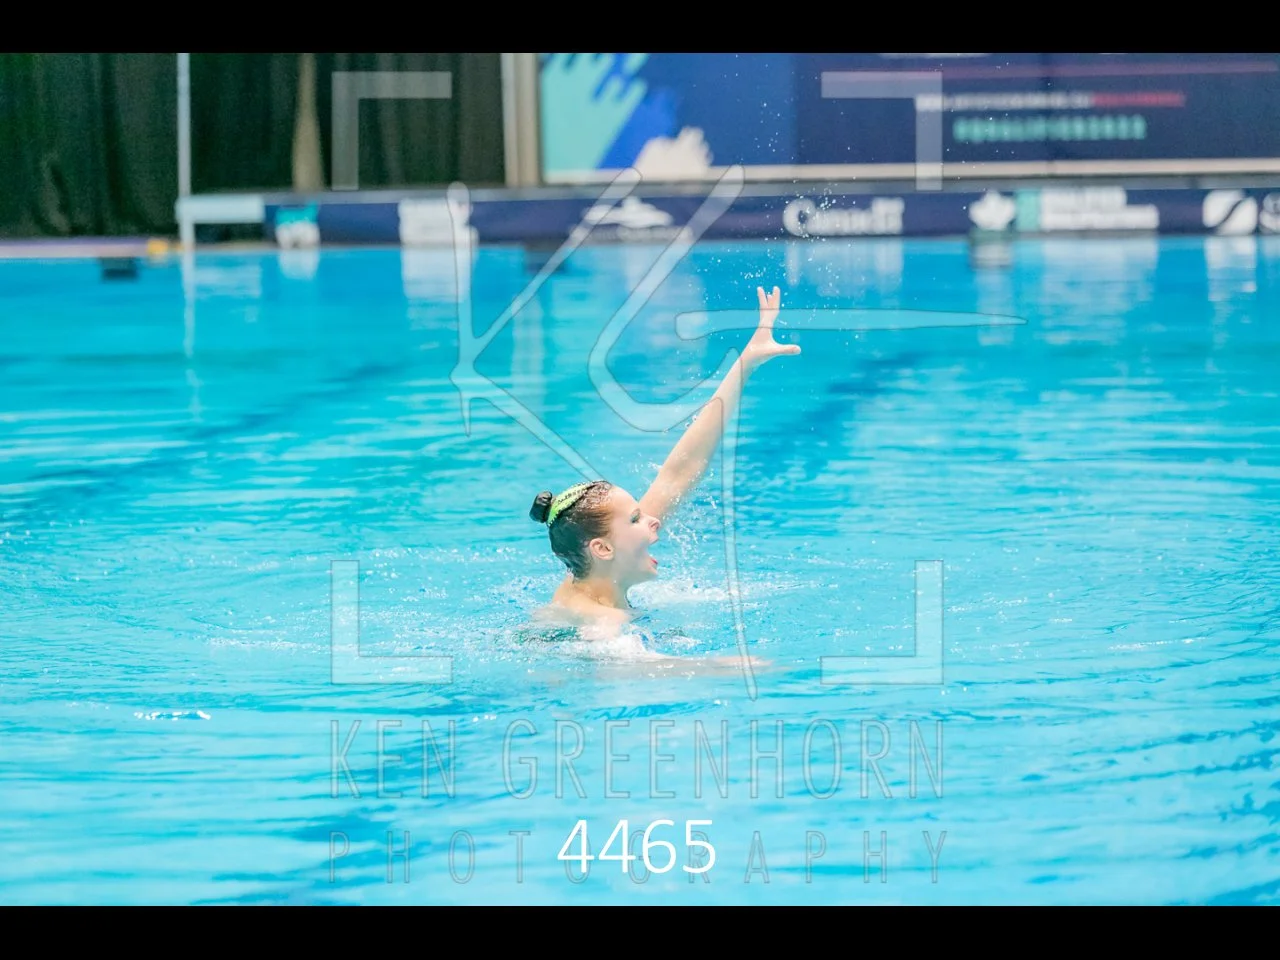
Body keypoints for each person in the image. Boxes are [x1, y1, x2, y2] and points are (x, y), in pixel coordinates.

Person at [528, 286, 800, 654]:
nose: (653, 519)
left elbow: (680, 471)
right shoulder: (602, 623)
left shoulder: (592, 575)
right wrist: (726, 668)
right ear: (603, 548)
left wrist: (745, 363)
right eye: (636, 519)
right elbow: (629, 671)